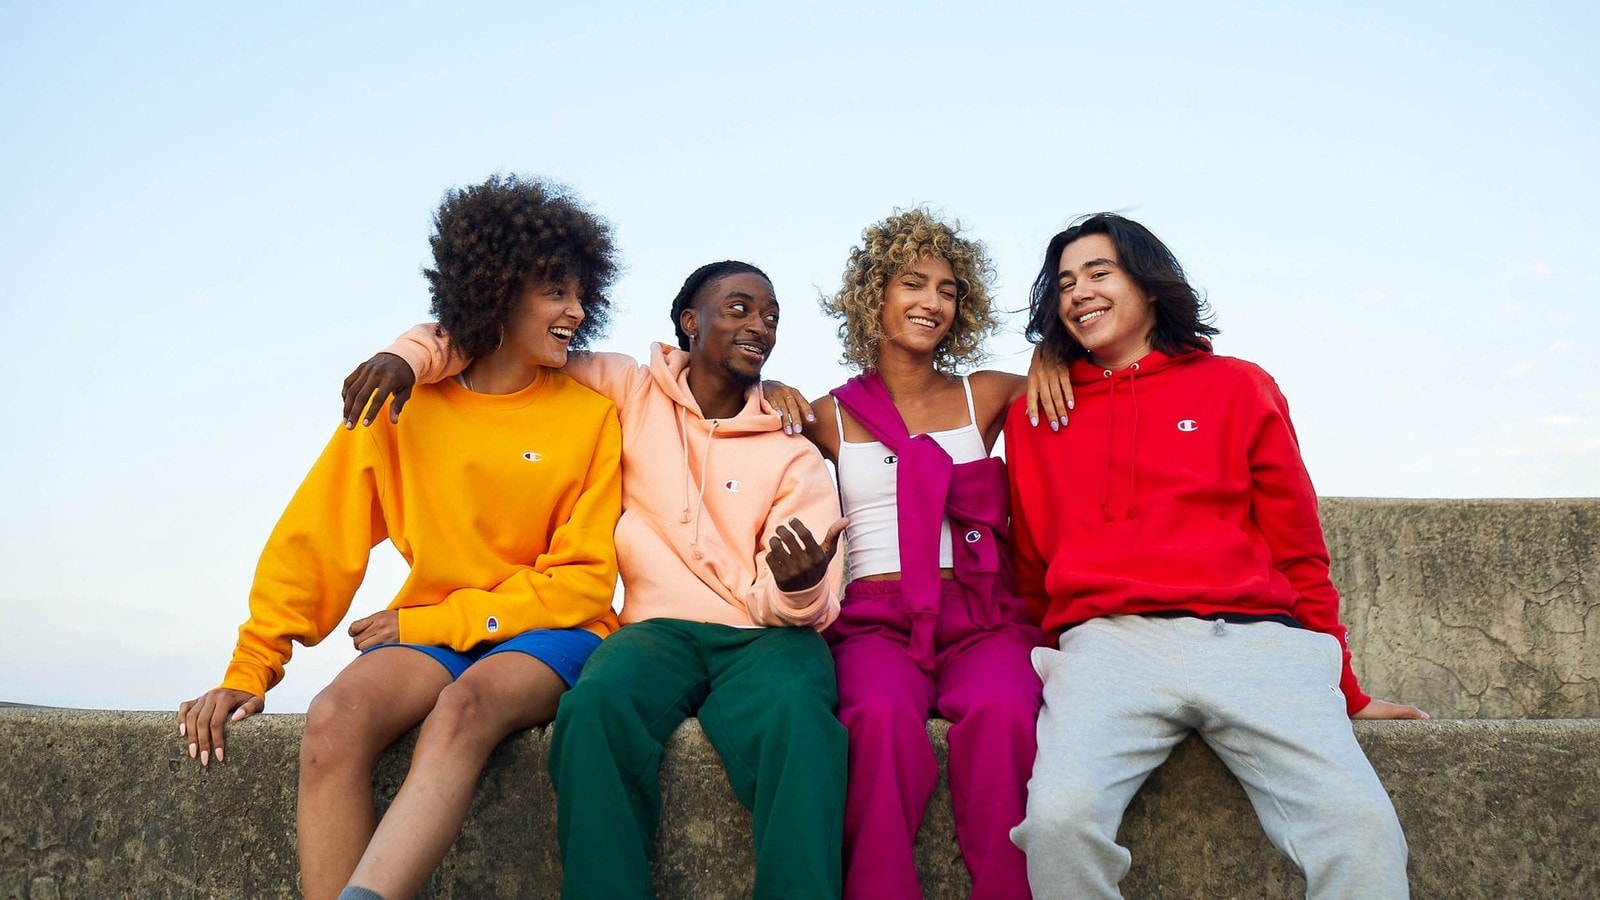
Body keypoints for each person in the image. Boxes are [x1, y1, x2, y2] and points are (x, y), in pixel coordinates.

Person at [177, 174, 625, 900]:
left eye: (581, 293)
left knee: (463, 710)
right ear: (498, 288)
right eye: (554, 291)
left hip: (553, 628)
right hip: (433, 629)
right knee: (332, 720)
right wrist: (249, 668)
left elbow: (581, 580)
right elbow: (319, 536)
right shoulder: (401, 405)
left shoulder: (591, 417)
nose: (576, 311)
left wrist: (437, 619)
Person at [342, 260, 850, 898]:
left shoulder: (795, 451)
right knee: (592, 712)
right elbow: (508, 340)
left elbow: (807, 600)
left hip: (766, 635)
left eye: (771, 316)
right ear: (690, 323)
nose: (760, 325)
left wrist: (798, 587)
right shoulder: (630, 389)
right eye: (740, 308)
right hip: (656, 629)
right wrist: (409, 357)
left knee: (803, 727)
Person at [1003, 213, 1427, 899]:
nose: (1078, 292)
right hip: (1109, 648)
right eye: (1064, 283)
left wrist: (1345, 687)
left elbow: (1299, 552)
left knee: (1361, 828)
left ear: (1147, 282)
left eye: (1099, 273)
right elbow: (1030, 565)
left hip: (1257, 643)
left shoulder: (1238, 385)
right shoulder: (1041, 414)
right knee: (1058, 824)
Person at [762, 208, 1063, 899]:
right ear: (876, 295)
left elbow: (1078, 391)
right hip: (876, 616)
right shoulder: (825, 414)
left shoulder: (985, 393)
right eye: (913, 283)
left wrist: (1050, 352)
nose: (933, 302)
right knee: (876, 720)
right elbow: (753, 457)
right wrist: (769, 393)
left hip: (981, 610)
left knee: (1009, 713)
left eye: (948, 290)